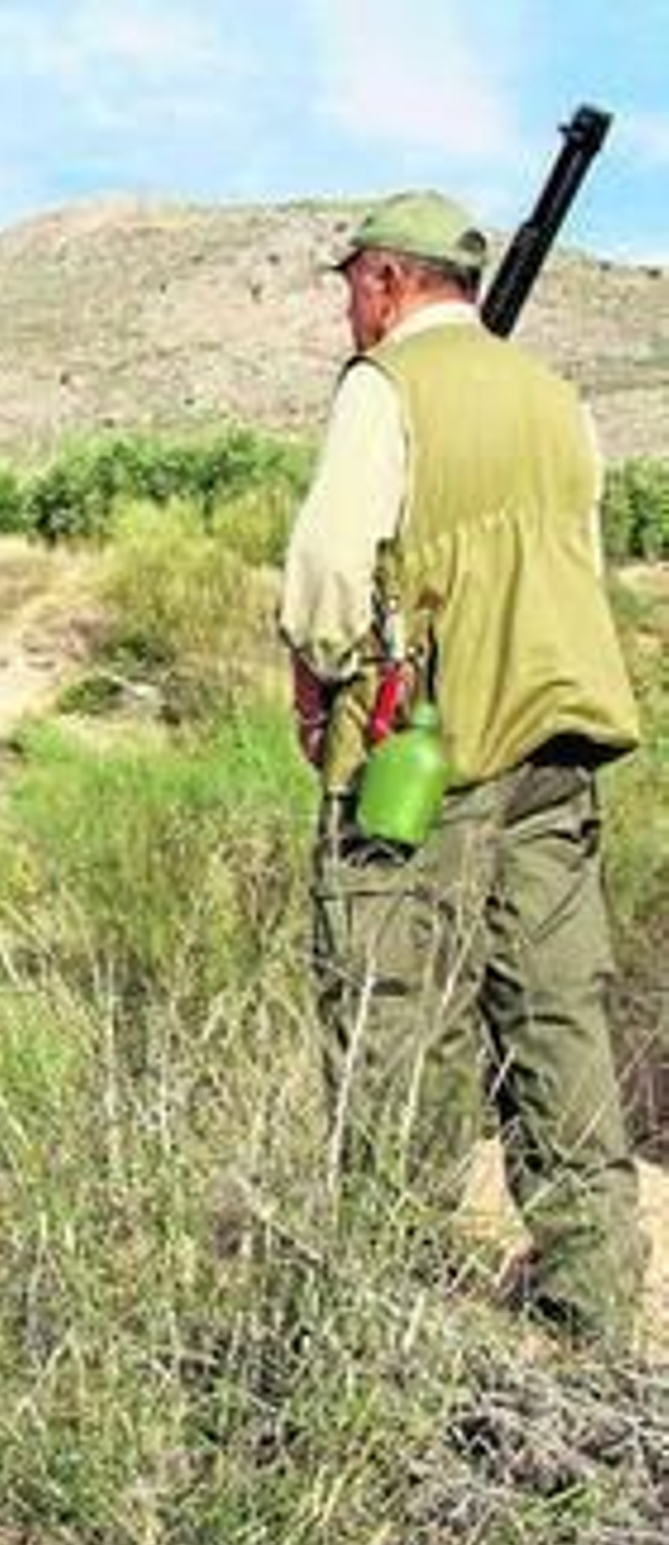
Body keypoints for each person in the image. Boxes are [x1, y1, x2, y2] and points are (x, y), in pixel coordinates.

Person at [279, 189, 645, 1346]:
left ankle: (375, 1314)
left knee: (395, 1017)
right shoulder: (556, 401)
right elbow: (578, 558)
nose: (347, 309)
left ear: (387, 283)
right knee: (555, 1016)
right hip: (560, 752)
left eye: (351, 286)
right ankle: (591, 1307)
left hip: (422, 759)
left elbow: (331, 578)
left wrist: (317, 683)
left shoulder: (384, 389)